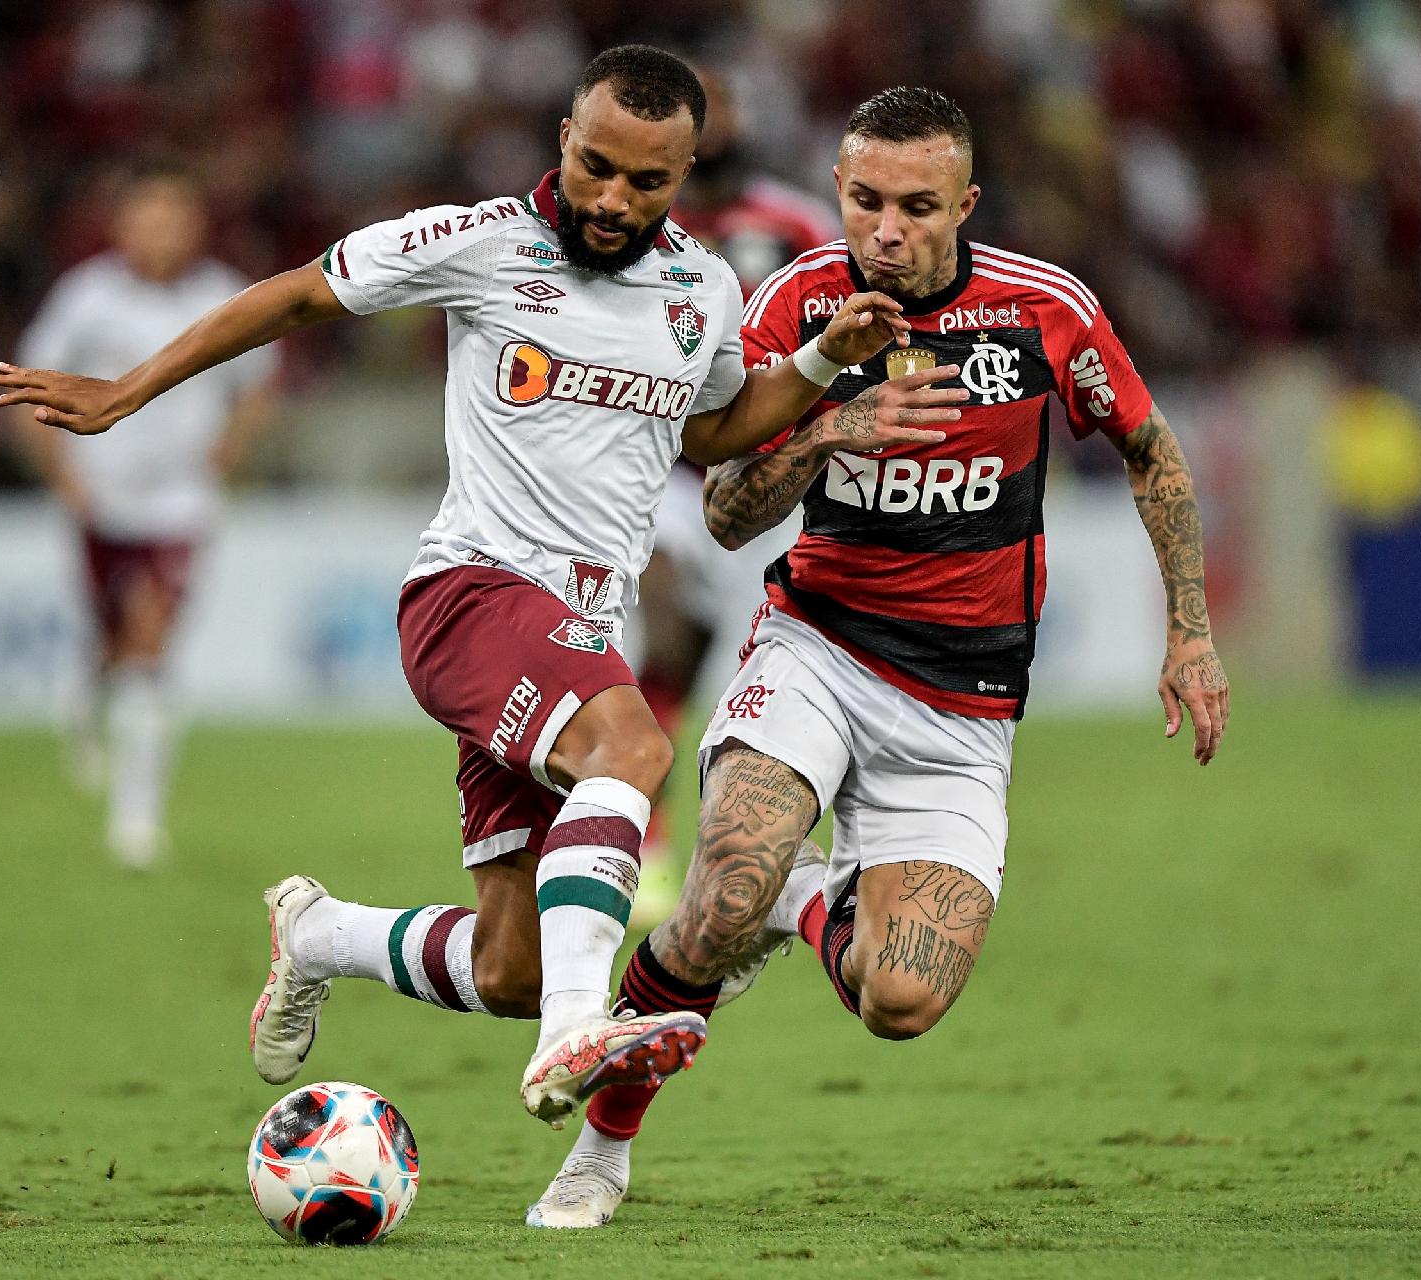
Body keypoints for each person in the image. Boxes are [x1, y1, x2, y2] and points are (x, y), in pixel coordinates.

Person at [0, 48, 954, 1133]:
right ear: (563, 138)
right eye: (596, 166)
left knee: (511, 966)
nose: (611, 197)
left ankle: (321, 936)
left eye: (647, 181)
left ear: (687, 174)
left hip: (579, 630)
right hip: (473, 596)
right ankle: (579, 1030)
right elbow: (301, 294)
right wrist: (129, 390)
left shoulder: (702, 286)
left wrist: (823, 359)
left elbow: (717, 426)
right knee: (633, 748)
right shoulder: (480, 240)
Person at [525, 85, 1231, 1228]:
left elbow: (1150, 450)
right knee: (717, 894)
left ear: (966, 204)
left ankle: (804, 901)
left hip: (966, 700)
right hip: (818, 647)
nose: (885, 230)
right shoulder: (796, 304)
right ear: (838, 194)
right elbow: (727, 511)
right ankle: (599, 1151)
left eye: (915, 206)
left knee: (899, 1000)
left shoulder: (1045, 309)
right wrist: (825, 429)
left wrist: (1190, 627)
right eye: (863, 201)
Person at [12, 167, 278, 868]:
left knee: (150, 641)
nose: (161, 231)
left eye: (174, 216)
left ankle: (137, 816)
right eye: (148, 216)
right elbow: (32, 379)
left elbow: (259, 383)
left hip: (180, 503)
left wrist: (225, 454)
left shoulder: (221, 295)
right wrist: (63, 476)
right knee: (114, 642)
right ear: (123, 223)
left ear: (194, 225)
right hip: (102, 499)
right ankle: (86, 692)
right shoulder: (88, 296)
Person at [628, 64, 842, 925]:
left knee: (763, 671)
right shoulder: (642, 226)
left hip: (786, 476)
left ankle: (816, 861)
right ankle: (646, 840)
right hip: (675, 469)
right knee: (667, 633)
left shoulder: (795, 221)